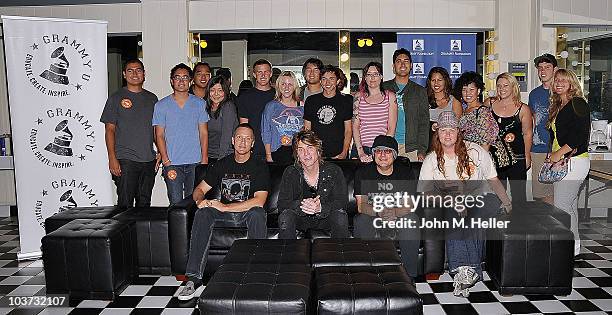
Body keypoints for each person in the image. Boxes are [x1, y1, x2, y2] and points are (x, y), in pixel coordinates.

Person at [419, 111, 512, 298]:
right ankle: (466, 270)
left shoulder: (476, 151)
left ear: (458, 132)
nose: (447, 134)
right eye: (443, 130)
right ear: (437, 134)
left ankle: (465, 269)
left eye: (451, 130)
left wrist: (508, 203)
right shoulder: (431, 159)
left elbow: (493, 180)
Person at [178, 123, 269, 300]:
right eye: (239, 138)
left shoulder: (259, 166)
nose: (243, 142)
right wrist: (199, 201)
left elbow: (260, 200)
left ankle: (254, 276)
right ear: (233, 141)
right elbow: (200, 189)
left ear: (252, 143)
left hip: (246, 213)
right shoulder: (222, 164)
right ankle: (193, 279)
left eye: (247, 138)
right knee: (203, 214)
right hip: (223, 215)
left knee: (258, 213)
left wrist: (225, 206)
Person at [353, 135, 420, 278]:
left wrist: (395, 212)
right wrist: (380, 213)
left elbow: (409, 204)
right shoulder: (363, 173)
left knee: (412, 220)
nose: (382, 155)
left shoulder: (405, 172)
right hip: (373, 216)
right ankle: (365, 275)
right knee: (361, 219)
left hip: (398, 216)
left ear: (394, 155)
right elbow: (361, 206)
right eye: (378, 151)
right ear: (373, 154)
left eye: (387, 151)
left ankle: (409, 277)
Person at [101, 59, 159, 208]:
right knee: (125, 205)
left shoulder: (152, 99)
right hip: (125, 161)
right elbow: (109, 130)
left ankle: (142, 233)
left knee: (144, 204)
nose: (135, 74)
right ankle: (125, 233)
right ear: (124, 75)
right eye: (130, 70)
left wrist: (160, 152)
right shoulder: (115, 98)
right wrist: (112, 158)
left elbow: (155, 130)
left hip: (148, 160)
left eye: (138, 70)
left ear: (144, 74)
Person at [547, 68, 590, 257]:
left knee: (561, 207)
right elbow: (558, 136)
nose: (559, 83)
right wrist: (553, 153)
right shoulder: (559, 105)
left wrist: (559, 153)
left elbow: (579, 135)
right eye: (556, 80)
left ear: (572, 83)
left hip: (574, 161)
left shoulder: (578, 103)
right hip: (563, 161)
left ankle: (561, 251)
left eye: (564, 80)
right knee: (569, 206)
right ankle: (573, 249)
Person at [153, 63, 209, 205]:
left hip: (195, 163)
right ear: (172, 81)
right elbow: (158, 135)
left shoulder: (199, 103)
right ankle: (176, 229)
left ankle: (192, 228)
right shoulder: (161, 105)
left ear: (190, 80)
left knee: (194, 202)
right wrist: (166, 161)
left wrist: (204, 159)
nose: (181, 81)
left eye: (185, 78)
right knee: (176, 203)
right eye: (177, 78)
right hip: (173, 163)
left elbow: (203, 133)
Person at [277, 130, 349, 239]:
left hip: (326, 218)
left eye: (310, 148)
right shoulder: (290, 172)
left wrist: (321, 208)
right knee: (286, 216)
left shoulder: (334, 171)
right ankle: (288, 254)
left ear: (318, 151)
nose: (306, 154)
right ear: (297, 154)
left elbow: (342, 203)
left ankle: (339, 254)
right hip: (300, 219)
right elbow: (282, 204)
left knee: (340, 216)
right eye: (301, 150)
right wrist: (302, 205)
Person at [485, 73, 533, 203]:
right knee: (496, 197)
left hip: (517, 158)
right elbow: (482, 128)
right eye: (499, 86)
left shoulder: (523, 109)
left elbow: (528, 134)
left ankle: (518, 223)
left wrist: (527, 155)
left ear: (513, 87)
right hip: (494, 158)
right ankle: (497, 223)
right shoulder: (490, 104)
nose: (502, 88)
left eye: (506, 85)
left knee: (519, 197)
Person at [382, 48, 429, 161]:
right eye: (399, 61)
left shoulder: (420, 91)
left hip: (412, 148)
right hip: (386, 145)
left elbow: (424, 123)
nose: (402, 64)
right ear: (393, 66)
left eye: (406, 61)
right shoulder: (383, 88)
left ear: (411, 65)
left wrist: (422, 150)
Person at [352, 61, 398, 162]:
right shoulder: (358, 97)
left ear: (381, 76)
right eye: (369, 74)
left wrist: (382, 150)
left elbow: (391, 128)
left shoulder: (390, 96)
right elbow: (355, 126)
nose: (372, 78)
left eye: (376, 74)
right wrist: (360, 153)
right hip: (361, 148)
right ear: (365, 77)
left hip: (382, 150)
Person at [304, 65, 352, 159]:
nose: (327, 82)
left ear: (338, 81)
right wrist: (309, 151)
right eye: (324, 79)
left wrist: (344, 152)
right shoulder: (311, 101)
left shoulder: (346, 101)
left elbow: (348, 130)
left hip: (338, 154)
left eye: (331, 79)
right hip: (316, 154)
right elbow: (307, 129)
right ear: (320, 81)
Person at [529, 53, 558, 204]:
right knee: (540, 194)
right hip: (538, 148)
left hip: (559, 150)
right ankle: (547, 226)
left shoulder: (562, 92)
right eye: (540, 68)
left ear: (555, 69)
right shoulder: (534, 94)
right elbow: (532, 121)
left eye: (547, 67)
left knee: (558, 194)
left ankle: (556, 226)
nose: (543, 71)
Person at [261, 71, 304, 164]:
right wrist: (268, 156)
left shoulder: (302, 106)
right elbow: (266, 133)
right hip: (276, 153)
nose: (286, 87)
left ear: (295, 86)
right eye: (283, 84)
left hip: (298, 154)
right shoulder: (271, 106)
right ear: (278, 86)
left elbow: (306, 132)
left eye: (290, 84)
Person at [237, 59, 275, 160]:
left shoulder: (278, 95)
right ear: (254, 74)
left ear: (270, 73)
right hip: (255, 150)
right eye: (259, 72)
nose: (263, 75)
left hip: (276, 148)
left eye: (266, 72)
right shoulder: (245, 97)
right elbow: (244, 126)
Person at [455, 71, 498, 151]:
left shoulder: (482, 112)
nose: (467, 93)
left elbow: (486, 142)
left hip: (479, 156)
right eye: (464, 90)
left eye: (471, 89)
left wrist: (480, 161)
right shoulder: (465, 110)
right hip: (467, 154)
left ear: (478, 91)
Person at [205, 75, 239, 163]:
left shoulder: (228, 106)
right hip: (208, 155)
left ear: (225, 92)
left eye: (220, 90)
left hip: (225, 155)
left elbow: (226, 137)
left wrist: (220, 160)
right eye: (212, 90)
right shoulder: (204, 107)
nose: (216, 94)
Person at [426, 67, 462, 145]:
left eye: (440, 80)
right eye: (433, 80)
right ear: (429, 82)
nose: (436, 83)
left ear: (445, 81)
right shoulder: (424, 99)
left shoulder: (454, 100)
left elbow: (457, 126)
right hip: (428, 142)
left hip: (449, 142)